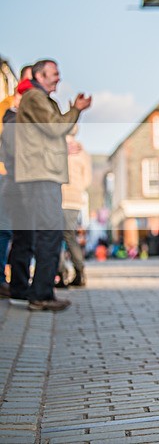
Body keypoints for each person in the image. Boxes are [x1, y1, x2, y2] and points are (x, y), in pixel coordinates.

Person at [13, 59, 91, 311]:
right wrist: (76, 110)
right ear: (40, 75)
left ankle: (33, 291)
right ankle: (41, 294)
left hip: (40, 174)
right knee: (49, 233)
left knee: (40, 234)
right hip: (41, 175)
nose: (58, 78)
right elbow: (56, 128)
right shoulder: (35, 98)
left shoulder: (37, 99)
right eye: (54, 74)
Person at [0, 65, 32, 300]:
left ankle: (16, 282)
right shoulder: (9, 109)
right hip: (6, 174)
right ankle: (3, 280)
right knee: (6, 230)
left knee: (20, 232)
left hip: (20, 176)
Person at [59, 126, 92, 287]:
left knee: (55, 236)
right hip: (75, 199)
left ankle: (60, 272)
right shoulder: (83, 153)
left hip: (59, 195)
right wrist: (77, 188)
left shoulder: (58, 148)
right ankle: (79, 271)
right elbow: (87, 180)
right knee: (69, 235)